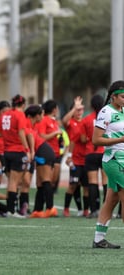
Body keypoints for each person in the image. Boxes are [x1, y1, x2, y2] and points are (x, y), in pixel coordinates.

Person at [92, 80, 124, 249]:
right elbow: (96, 140)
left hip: (122, 159)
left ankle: (98, 239)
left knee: (111, 200)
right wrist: (120, 139)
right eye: (123, 96)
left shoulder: (123, 110)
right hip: (113, 160)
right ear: (113, 96)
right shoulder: (106, 112)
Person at [0, 94, 31, 217]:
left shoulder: (5, 115)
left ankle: (10, 209)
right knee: (14, 183)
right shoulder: (19, 115)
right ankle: (11, 210)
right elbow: (21, 132)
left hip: (6, 151)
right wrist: (27, 149)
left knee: (11, 182)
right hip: (17, 150)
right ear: (23, 104)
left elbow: (2, 132)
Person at [24, 105, 57, 218]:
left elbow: (30, 136)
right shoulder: (29, 124)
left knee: (45, 180)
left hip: (43, 151)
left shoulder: (29, 125)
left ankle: (50, 208)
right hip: (41, 151)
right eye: (41, 114)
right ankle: (38, 210)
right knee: (40, 183)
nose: (42, 116)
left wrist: (31, 151)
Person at [62, 97, 88, 217]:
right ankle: (66, 209)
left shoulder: (85, 122)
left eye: (81, 109)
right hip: (75, 160)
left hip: (86, 158)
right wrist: (74, 107)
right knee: (73, 185)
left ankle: (85, 210)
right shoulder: (70, 123)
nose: (80, 111)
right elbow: (64, 120)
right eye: (78, 109)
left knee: (86, 186)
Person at [35, 100, 63, 204]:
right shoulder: (44, 120)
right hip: (45, 153)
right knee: (45, 181)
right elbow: (42, 136)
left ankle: (46, 206)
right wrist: (56, 132)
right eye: (57, 108)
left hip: (56, 153)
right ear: (54, 109)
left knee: (52, 181)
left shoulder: (54, 121)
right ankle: (45, 207)